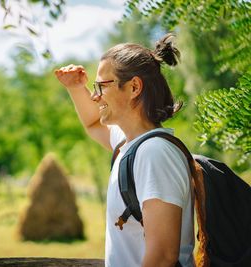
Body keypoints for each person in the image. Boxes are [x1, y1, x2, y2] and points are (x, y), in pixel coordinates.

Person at [54, 33, 194, 267]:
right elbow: (93, 123)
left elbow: (163, 257)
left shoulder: (154, 154)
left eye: (101, 86)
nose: (95, 96)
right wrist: (76, 87)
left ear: (134, 87)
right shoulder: (129, 144)